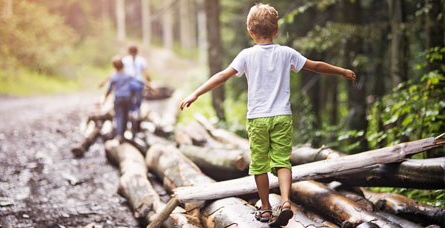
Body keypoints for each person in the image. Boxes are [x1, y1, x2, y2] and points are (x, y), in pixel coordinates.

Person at [179, 3, 356, 227]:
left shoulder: (246, 55)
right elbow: (316, 66)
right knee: (282, 162)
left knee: (260, 165)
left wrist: (196, 93)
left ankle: (264, 208)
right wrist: (341, 71)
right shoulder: (286, 53)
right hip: (282, 116)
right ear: (276, 30)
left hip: (257, 119)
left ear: (250, 32)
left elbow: (222, 76)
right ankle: (285, 202)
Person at [104, 56, 134, 142]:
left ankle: (119, 135)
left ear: (114, 66)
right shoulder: (128, 76)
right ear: (123, 65)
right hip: (127, 98)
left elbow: (109, 89)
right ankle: (123, 134)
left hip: (118, 98)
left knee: (119, 116)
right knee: (125, 116)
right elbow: (133, 86)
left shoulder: (113, 77)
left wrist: (105, 98)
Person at [122, 46, 153, 120]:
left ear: (128, 51)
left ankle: (129, 115)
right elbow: (146, 74)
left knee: (129, 101)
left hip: (128, 84)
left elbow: (121, 72)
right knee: (138, 101)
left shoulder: (125, 60)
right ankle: (137, 115)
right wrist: (149, 84)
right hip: (139, 84)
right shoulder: (141, 60)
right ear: (137, 52)